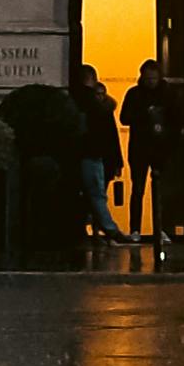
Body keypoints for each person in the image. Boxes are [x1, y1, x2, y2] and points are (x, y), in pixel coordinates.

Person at [73, 62, 130, 250]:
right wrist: (116, 160)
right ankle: (108, 229)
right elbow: (110, 136)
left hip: (87, 153)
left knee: (91, 194)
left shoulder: (77, 101)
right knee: (97, 193)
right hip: (96, 154)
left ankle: (100, 229)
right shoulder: (100, 106)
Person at [123, 55, 175, 244]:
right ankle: (141, 228)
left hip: (154, 147)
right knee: (140, 188)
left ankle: (156, 228)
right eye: (148, 78)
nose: (151, 81)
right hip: (143, 147)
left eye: (153, 78)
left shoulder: (162, 94)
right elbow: (124, 117)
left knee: (154, 190)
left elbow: (177, 118)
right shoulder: (141, 94)